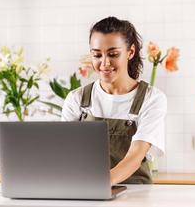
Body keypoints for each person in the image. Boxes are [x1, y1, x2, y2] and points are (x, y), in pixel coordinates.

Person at [61, 16, 167, 185]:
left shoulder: (152, 98)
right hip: (87, 191)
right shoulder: (76, 99)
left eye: (113, 54)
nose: (104, 63)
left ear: (130, 52)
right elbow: (65, 153)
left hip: (135, 194)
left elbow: (135, 155)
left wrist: (100, 183)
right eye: (97, 55)